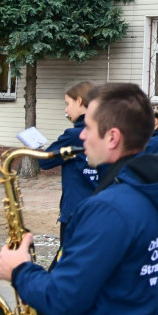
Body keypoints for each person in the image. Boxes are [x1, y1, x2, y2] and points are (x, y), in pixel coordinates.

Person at [0, 83, 158, 315]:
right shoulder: (152, 193)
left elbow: (63, 298)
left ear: (112, 137)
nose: (81, 135)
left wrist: (19, 269)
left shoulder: (110, 208)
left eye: (88, 127)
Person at [38, 81, 98, 246]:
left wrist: (35, 149)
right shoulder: (107, 130)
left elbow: (44, 162)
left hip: (76, 211)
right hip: (101, 211)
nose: (66, 110)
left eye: (67, 104)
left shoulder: (74, 134)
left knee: (65, 264)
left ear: (79, 101)